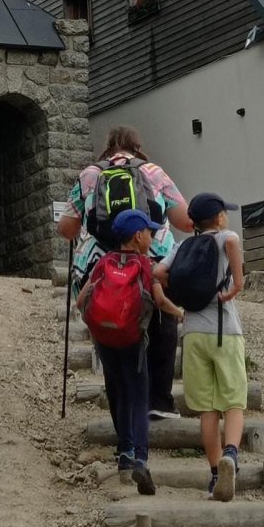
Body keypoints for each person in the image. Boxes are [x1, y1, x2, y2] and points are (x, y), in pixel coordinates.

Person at [58, 126, 192, 421]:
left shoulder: (90, 174)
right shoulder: (153, 172)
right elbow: (184, 221)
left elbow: (66, 228)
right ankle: (159, 400)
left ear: (108, 147)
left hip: (103, 267)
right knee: (161, 321)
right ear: (136, 147)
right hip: (152, 261)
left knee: (111, 330)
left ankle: (121, 404)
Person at [153, 192, 246, 501]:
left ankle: (216, 474)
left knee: (207, 409)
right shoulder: (224, 238)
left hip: (193, 332)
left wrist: (183, 293)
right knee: (234, 401)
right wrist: (236, 285)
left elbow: (157, 273)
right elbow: (232, 240)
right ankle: (230, 454)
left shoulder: (181, 247)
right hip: (224, 331)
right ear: (219, 218)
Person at [77, 207, 158, 494]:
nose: (151, 236)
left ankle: (124, 453)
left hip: (106, 339)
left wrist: (99, 324)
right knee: (139, 395)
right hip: (133, 339)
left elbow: (81, 300)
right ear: (137, 236)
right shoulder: (145, 264)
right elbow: (155, 299)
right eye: (148, 231)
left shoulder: (103, 262)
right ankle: (141, 458)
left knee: (118, 391)